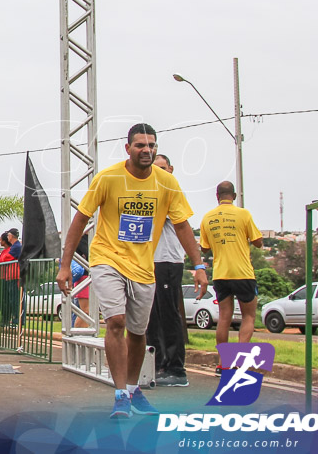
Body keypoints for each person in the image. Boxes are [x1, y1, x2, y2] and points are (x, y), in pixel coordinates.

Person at [56, 123, 208, 420]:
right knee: (116, 321)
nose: (147, 150)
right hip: (107, 258)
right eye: (140, 145)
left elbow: (181, 226)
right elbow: (80, 218)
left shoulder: (166, 183)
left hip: (143, 266)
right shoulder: (108, 178)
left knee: (138, 333)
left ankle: (133, 389)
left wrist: (199, 265)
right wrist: (65, 264)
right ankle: (120, 395)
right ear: (128, 149)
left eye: (152, 145)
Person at [200, 181, 264, 356]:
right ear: (234, 196)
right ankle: (241, 358)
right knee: (248, 316)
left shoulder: (207, 218)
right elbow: (258, 242)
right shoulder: (243, 214)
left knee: (224, 318)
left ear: (217, 196)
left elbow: (204, 248)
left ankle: (223, 363)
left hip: (221, 274)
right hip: (243, 272)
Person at [145, 153, 189, 387]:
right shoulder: (150, 194)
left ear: (170, 169)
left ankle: (176, 368)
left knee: (169, 315)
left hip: (168, 261)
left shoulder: (173, 194)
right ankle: (156, 363)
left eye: (163, 168)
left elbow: (181, 225)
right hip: (149, 261)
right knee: (151, 317)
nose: (159, 172)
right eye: (155, 168)